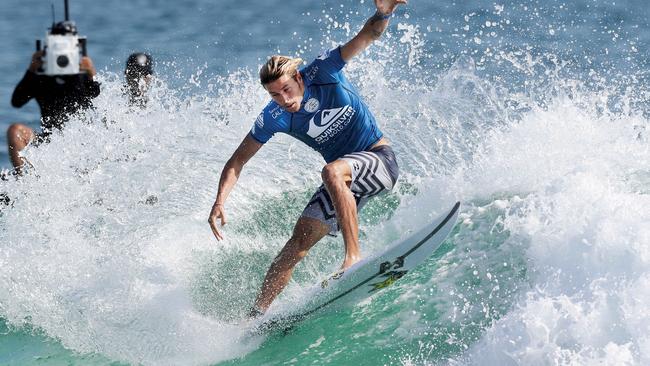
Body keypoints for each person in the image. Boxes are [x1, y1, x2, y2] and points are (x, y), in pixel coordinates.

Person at [209, 0, 407, 316]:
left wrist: (384, 13)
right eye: (275, 94)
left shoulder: (323, 70)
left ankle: (353, 258)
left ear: (299, 79)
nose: (284, 100)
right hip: (344, 180)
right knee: (295, 245)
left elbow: (368, 35)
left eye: (287, 89)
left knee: (331, 171)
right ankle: (255, 318)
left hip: (379, 160)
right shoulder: (273, 117)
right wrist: (220, 200)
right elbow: (237, 161)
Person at [6, 49, 100, 171]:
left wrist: (91, 73)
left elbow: (101, 100)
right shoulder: (41, 78)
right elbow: (17, 102)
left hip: (80, 143)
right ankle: (24, 182)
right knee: (15, 131)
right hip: (49, 142)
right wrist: (31, 69)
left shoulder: (81, 75)